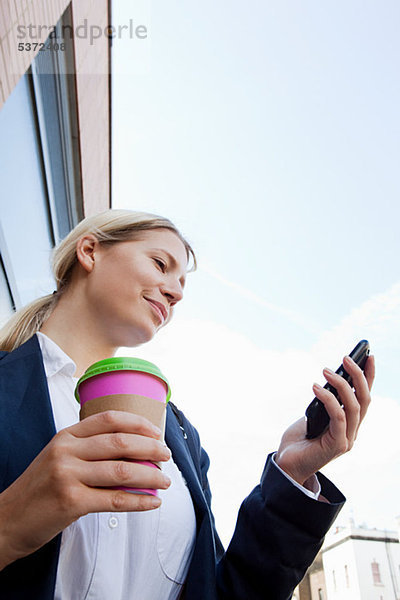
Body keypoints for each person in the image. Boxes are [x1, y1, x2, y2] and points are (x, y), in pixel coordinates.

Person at [0, 209, 374, 600]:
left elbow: (226, 593)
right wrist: (7, 525)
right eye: (161, 264)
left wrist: (291, 476)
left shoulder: (179, 435)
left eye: (181, 285)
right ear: (91, 251)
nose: (176, 292)